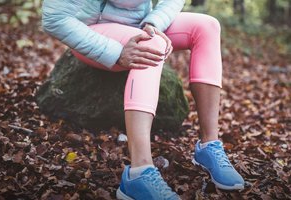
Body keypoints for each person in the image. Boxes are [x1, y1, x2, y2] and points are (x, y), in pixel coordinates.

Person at [42, 0, 245, 199]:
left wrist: (154, 23)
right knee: (151, 44)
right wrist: (115, 52)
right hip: (92, 31)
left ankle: (209, 146)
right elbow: (54, 18)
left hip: (137, 25)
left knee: (208, 26)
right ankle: (139, 173)